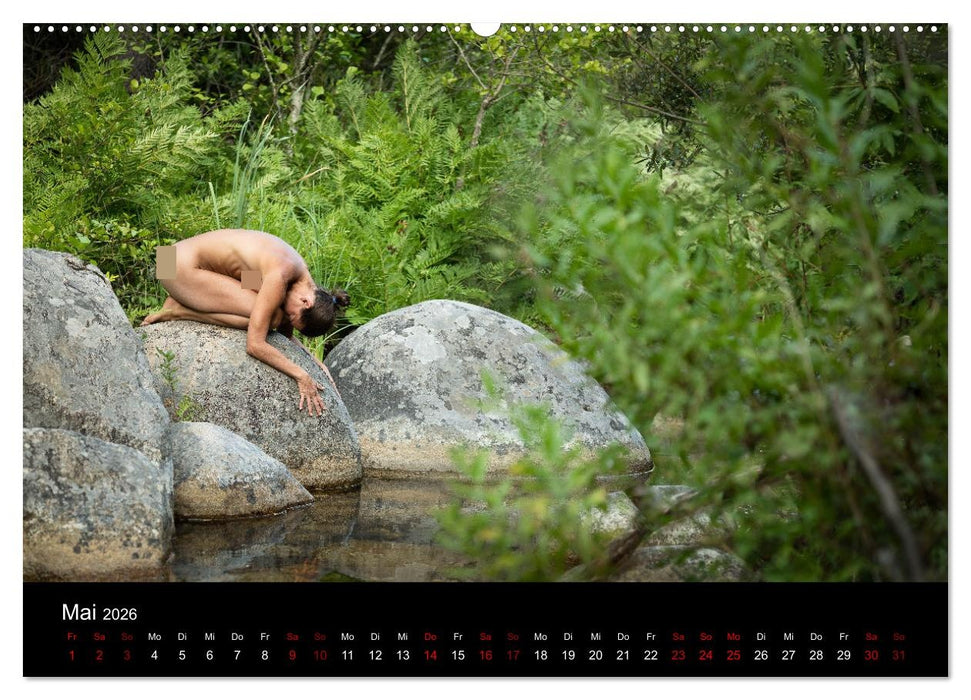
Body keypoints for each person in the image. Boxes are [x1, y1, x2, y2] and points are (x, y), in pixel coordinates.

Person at [141, 228, 349, 416]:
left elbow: (285, 337)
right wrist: (301, 376)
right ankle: (177, 310)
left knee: (271, 312)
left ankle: (186, 297)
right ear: (306, 302)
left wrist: (315, 363)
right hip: (172, 266)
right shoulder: (280, 275)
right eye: (293, 317)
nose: (288, 319)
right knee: (273, 317)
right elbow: (255, 344)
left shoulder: (299, 277)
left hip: (169, 255)